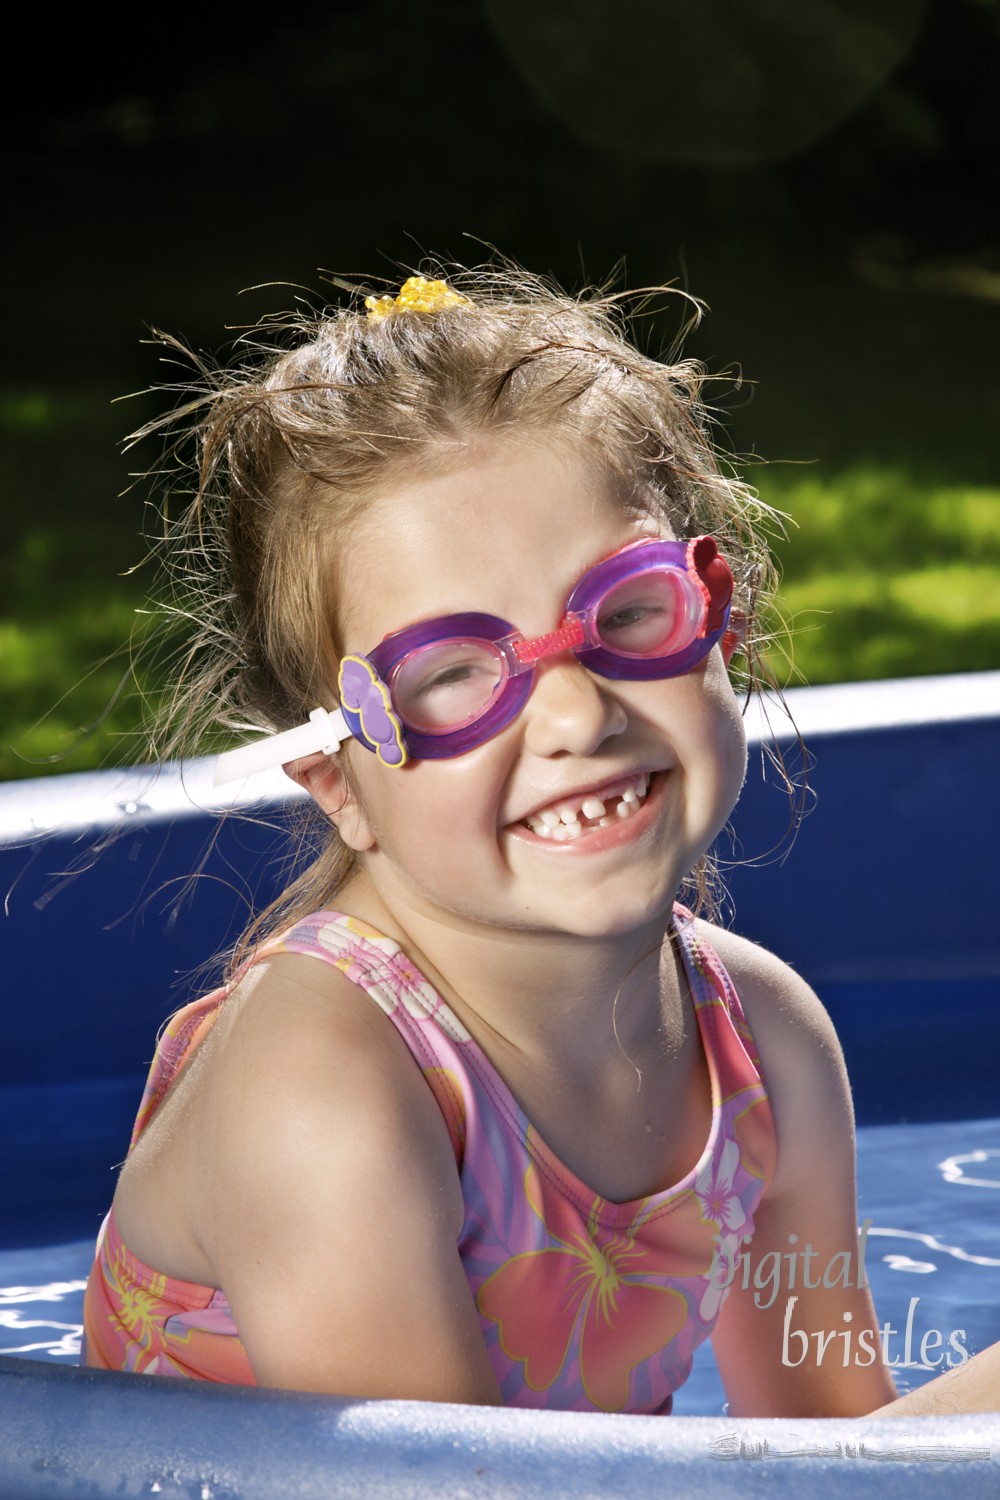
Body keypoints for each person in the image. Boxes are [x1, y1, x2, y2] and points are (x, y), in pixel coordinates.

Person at [81, 267, 998, 1416]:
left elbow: (833, 1465)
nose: (575, 713)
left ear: (727, 615)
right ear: (334, 780)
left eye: (627, 612)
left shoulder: (766, 1049)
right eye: (452, 676)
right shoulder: (324, 1091)